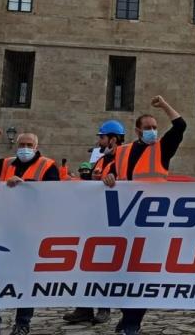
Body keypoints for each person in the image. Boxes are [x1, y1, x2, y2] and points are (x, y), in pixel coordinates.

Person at [100, 97, 186, 335]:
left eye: (155, 127)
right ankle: (127, 316)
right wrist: (108, 178)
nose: (152, 131)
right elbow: (111, 175)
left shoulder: (162, 148)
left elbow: (180, 126)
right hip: (125, 220)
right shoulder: (122, 152)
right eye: (148, 128)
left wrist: (165, 105)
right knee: (124, 274)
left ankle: (131, 324)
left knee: (143, 275)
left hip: (152, 221)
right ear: (137, 131)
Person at [0, 128, 59, 335]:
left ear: (36, 147)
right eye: (21, 145)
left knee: (25, 279)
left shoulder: (48, 166)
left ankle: (22, 324)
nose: (24, 148)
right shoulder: (6, 164)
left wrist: (26, 185)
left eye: (29, 145)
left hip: (30, 231)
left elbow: (54, 192)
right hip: (2, 229)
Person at [62, 121, 128, 327]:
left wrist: (115, 180)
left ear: (113, 139)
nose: (99, 141)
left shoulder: (123, 159)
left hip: (111, 220)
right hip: (93, 218)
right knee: (86, 264)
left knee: (105, 265)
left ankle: (104, 307)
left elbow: (126, 182)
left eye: (102, 137)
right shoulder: (101, 159)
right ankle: (84, 308)